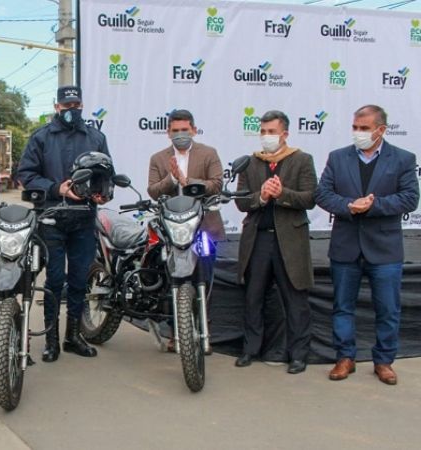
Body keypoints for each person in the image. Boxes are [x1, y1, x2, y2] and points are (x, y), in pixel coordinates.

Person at [315, 105, 419, 385]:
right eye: (355, 127)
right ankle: (344, 358)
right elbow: (322, 194)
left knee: (387, 308)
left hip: (385, 249)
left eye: (364, 128)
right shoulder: (338, 158)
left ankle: (383, 361)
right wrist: (349, 205)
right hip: (345, 246)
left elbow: (410, 198)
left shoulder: (403, 159)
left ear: (381, 130)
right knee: (342, 306)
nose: (358, 133)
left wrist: (373, 206)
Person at [16, 85, 111, 363]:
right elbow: (26, 174)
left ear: (82, 105)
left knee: (80, 280)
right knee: (55, 280)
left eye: (76, 104)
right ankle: (51, 340)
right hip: (52, 218)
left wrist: (102, 193)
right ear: (57, 107)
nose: (72, 110)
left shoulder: (95, 137)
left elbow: (107, 173)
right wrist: (57, 188)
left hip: (84, 218)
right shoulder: (41, 137)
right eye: (66, 105)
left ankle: (73, 337)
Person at [234, 110, 317, 374]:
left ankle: (298, 355)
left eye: (272, 132)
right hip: (257, 240)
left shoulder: (302, 160)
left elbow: (310, 198)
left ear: (285, 134)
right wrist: (261, 197)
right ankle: (250, 349)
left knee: (295, 300)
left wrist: (282, 194)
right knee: (253, 297)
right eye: (263, 132)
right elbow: (241, 201)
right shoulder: (250, 162)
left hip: (290, 242)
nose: (267, 137)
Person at [147, 109, 224, 353]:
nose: (180, 134)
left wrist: (187, 180)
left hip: (203, 228)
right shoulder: (158, 158)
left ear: (193, 129)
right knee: (175, 280)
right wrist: (171, 178)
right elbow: (153, 191)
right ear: (168, 132)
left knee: (204, 277)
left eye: (184, 129)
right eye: (175, 130)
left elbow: (216, 185)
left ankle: (202, 332)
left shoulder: (208, 153)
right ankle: (176, 333)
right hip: (172, 232)